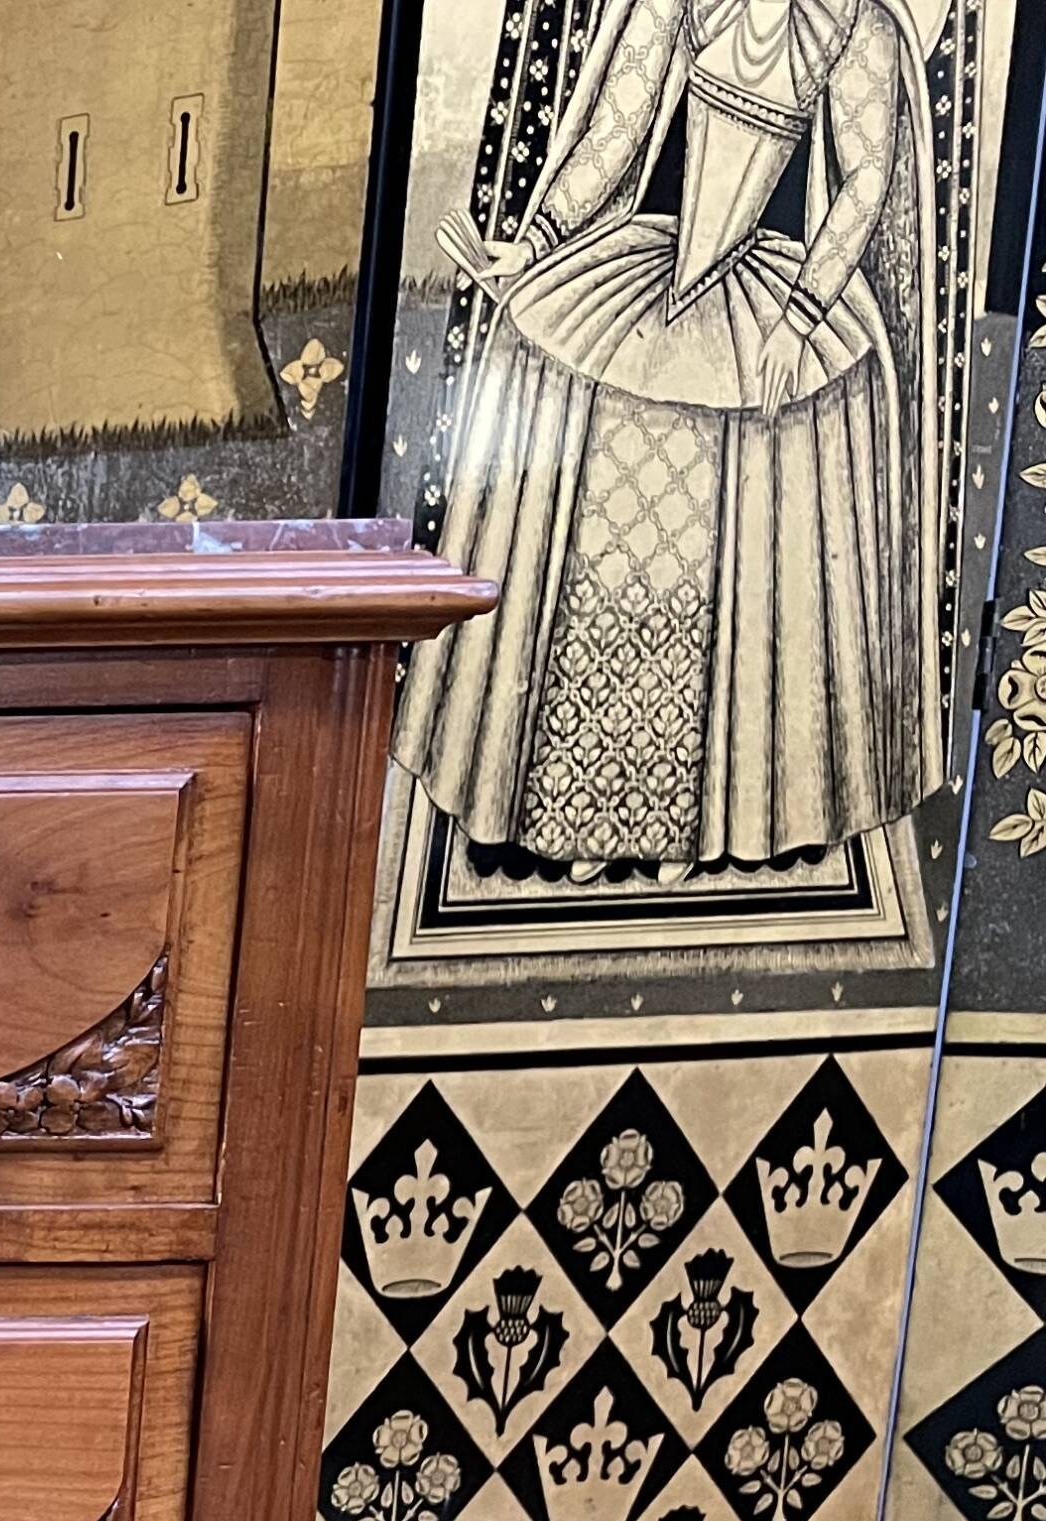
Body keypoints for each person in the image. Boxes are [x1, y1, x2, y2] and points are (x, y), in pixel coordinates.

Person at [395, 0, 940, 877]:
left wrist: (802, 318)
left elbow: (865, 183)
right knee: (603, 501)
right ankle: (583, 807)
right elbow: (615, 130)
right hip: (652, 272)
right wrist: (535, 244)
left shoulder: (854, 28)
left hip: (775, 298)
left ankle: (705, 823)